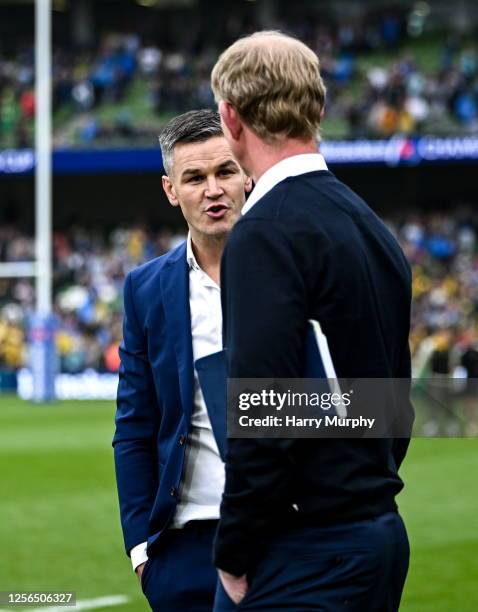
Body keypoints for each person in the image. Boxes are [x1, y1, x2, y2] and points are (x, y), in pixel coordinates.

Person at [210, 31, 414, 611]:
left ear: (230, 117)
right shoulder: (370, 225)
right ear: (317, 109)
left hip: (306, 548)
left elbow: (261, 408)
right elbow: (393, 400)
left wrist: (236, 547)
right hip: (373, 533)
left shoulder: (266, 232)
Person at [113, 108, 252, 612]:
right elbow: (134, 425)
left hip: (279, 538)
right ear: (171, 190)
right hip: (183, 548)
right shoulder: (146, 288)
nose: (213, 189)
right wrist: (142, 552)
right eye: (194, 177)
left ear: (246, 175)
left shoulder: (293, 271)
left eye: (224, 171)